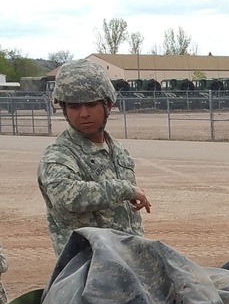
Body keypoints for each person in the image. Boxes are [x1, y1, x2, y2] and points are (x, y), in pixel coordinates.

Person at [38, 59, 152, 257]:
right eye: (74, 107)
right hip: (89, 271)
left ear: (107, 105)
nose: (83, 114)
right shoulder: (58, 155)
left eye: (91, 105)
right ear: (64, 109)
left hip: (130, 261)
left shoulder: (117, 149)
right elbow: (67, 196)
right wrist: (124, 189)